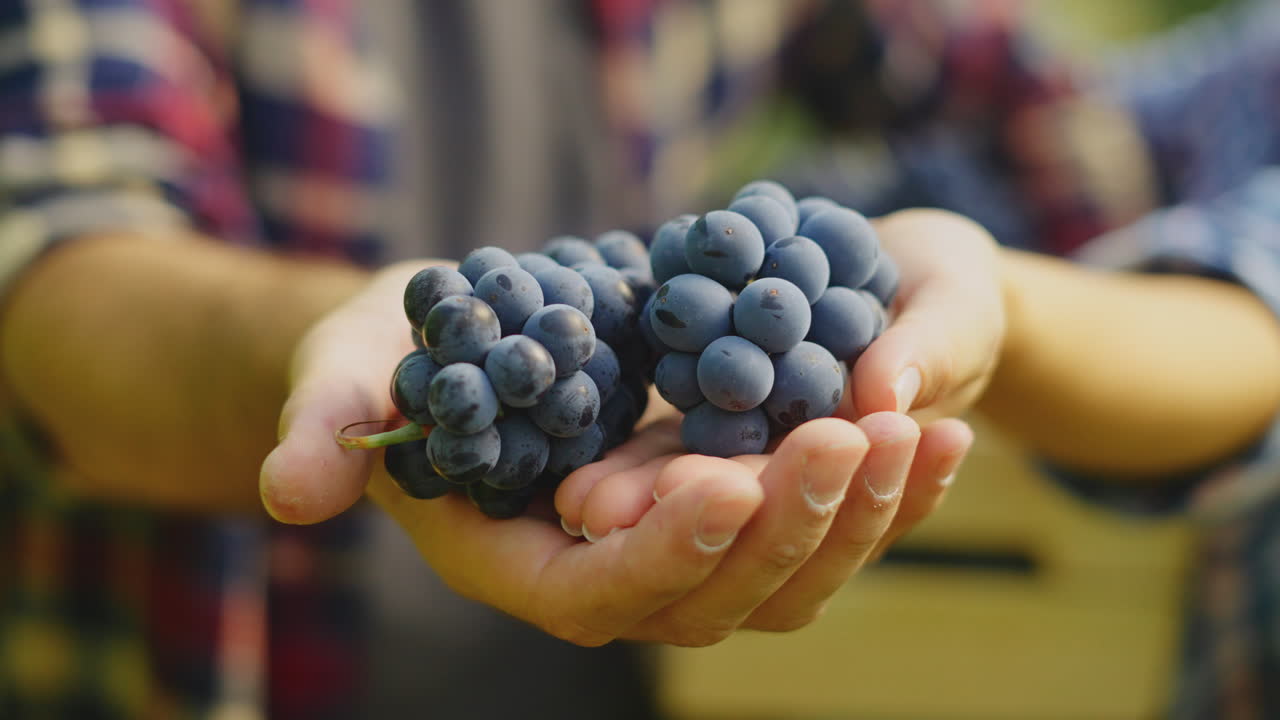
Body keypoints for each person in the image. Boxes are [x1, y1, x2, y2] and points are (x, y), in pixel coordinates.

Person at [1, 2, 1278, 720]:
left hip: (594, 669)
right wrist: (312, 348)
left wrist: (1052, 280)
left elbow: (994, 71)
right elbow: (60, 273)